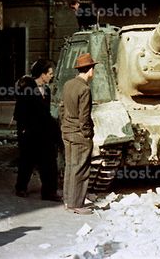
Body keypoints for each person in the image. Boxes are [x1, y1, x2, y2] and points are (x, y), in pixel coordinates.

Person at [13, 59, 61, 201]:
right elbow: (20, 112)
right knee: (27, 162)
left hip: (44, 133)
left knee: (49, 163)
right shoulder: (27, 89)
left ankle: (49, 192)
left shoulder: (46, 90)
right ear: (42, 74)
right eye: (50, 73)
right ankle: (20, 188)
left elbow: (46, 113)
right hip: (30, 133)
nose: (52, 76)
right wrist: (23, 131)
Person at [61, 53, 98, 215]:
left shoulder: (68, 84)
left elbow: (62, 109)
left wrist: (65, 125)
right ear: (90, 70)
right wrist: (87, 134)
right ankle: (77, 204)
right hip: (79, 134)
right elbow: (84, 117)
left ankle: (68, 200)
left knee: (70, 166)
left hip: (67, 130)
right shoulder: (85, 89)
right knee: (81, 169)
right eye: (93, 69)